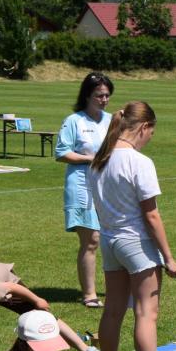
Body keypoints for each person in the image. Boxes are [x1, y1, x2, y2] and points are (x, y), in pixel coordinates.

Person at [89, 100, 176, 351]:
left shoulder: (99, 161)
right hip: (136, 243)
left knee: (113, 310)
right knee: (147, 313)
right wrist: (169, 257)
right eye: (151, 133)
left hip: (110, 242)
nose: (149, 139)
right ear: (144, 127)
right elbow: (151, 215)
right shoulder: (139, 162)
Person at [55, 72, 115, 307]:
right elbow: (61, 153)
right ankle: (89, 294)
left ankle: (115, 289)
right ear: (87, 96)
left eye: (107, 95)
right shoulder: (74, 121)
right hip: (81, 184)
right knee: (91, 240)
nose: (104, 100)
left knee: (110, 238)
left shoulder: (112, 120)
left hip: (107, 185)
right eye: (99, 95)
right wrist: (89, 158)